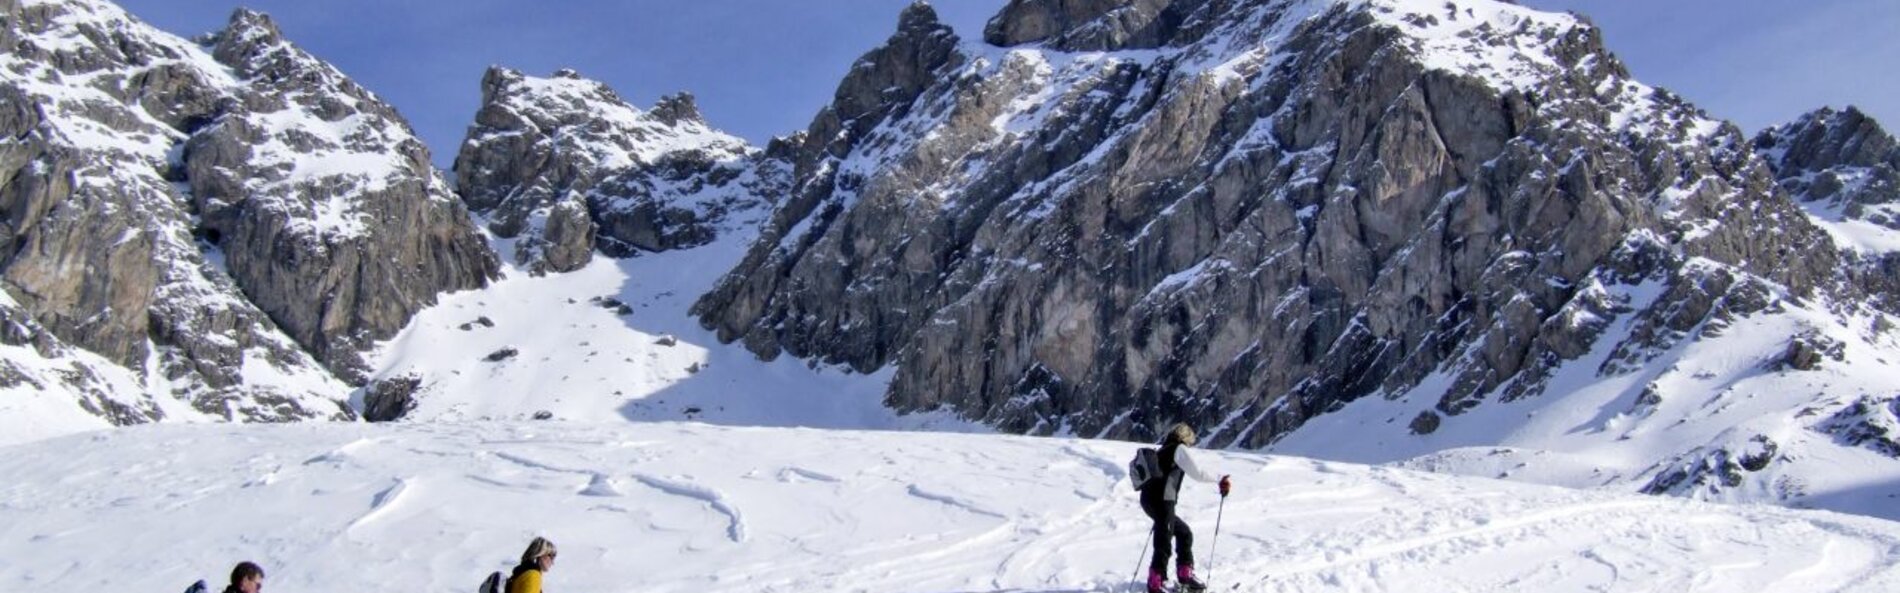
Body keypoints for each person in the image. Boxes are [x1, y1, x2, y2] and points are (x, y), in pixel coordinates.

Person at [1141, 423, 1228, 593]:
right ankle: (1156, 582)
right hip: (1163, 502)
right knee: (1164, 541)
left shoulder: (1163, 450)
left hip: (1150, 501)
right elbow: (1198, 473)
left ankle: (1183, 573)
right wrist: (1219, 478)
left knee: (1183, 533)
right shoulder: (1178, 449)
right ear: (1185, 437)